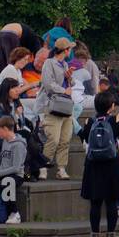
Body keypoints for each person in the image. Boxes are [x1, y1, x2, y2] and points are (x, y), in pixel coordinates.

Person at [79, 92, 119, 237]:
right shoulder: (114, 120)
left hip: (93, 165)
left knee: (95, 202)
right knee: (111, 202)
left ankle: (94, 236)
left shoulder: (90, 120)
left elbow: (86, 138)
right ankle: (111, 235)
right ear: (111, 106)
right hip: (111, 164)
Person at [37, 37, 74, 179]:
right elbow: (48, 84)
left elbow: (71, 83)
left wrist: (69, 77)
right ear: (65, 50)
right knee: (53, 138)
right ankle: (44, 165)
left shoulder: (65, 64)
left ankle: (61, 168)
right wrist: (64, 90)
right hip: (53, 105)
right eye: (69, 48)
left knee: (65, 139)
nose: (71, 51)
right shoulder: (49, 63)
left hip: (66, 106)